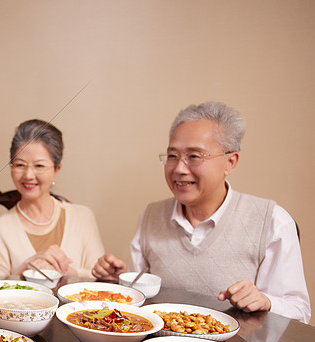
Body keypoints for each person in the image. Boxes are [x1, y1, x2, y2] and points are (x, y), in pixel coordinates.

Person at [92, 101, 311, 323]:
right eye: (172, 156)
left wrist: (266, 301)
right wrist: (119, 280)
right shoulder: (151, 216)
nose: (179, 168)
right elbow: (139, 300)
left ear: (230, 162)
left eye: (194, 157)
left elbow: (299, 311)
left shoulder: (272, 221)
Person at [0, 119, 105, 280]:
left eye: (39, 166)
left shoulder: (83, 217)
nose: (28, 175)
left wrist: (67, 271)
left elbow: (99, 279)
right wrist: (25, 268)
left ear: (56, 169)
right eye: (20, 165)